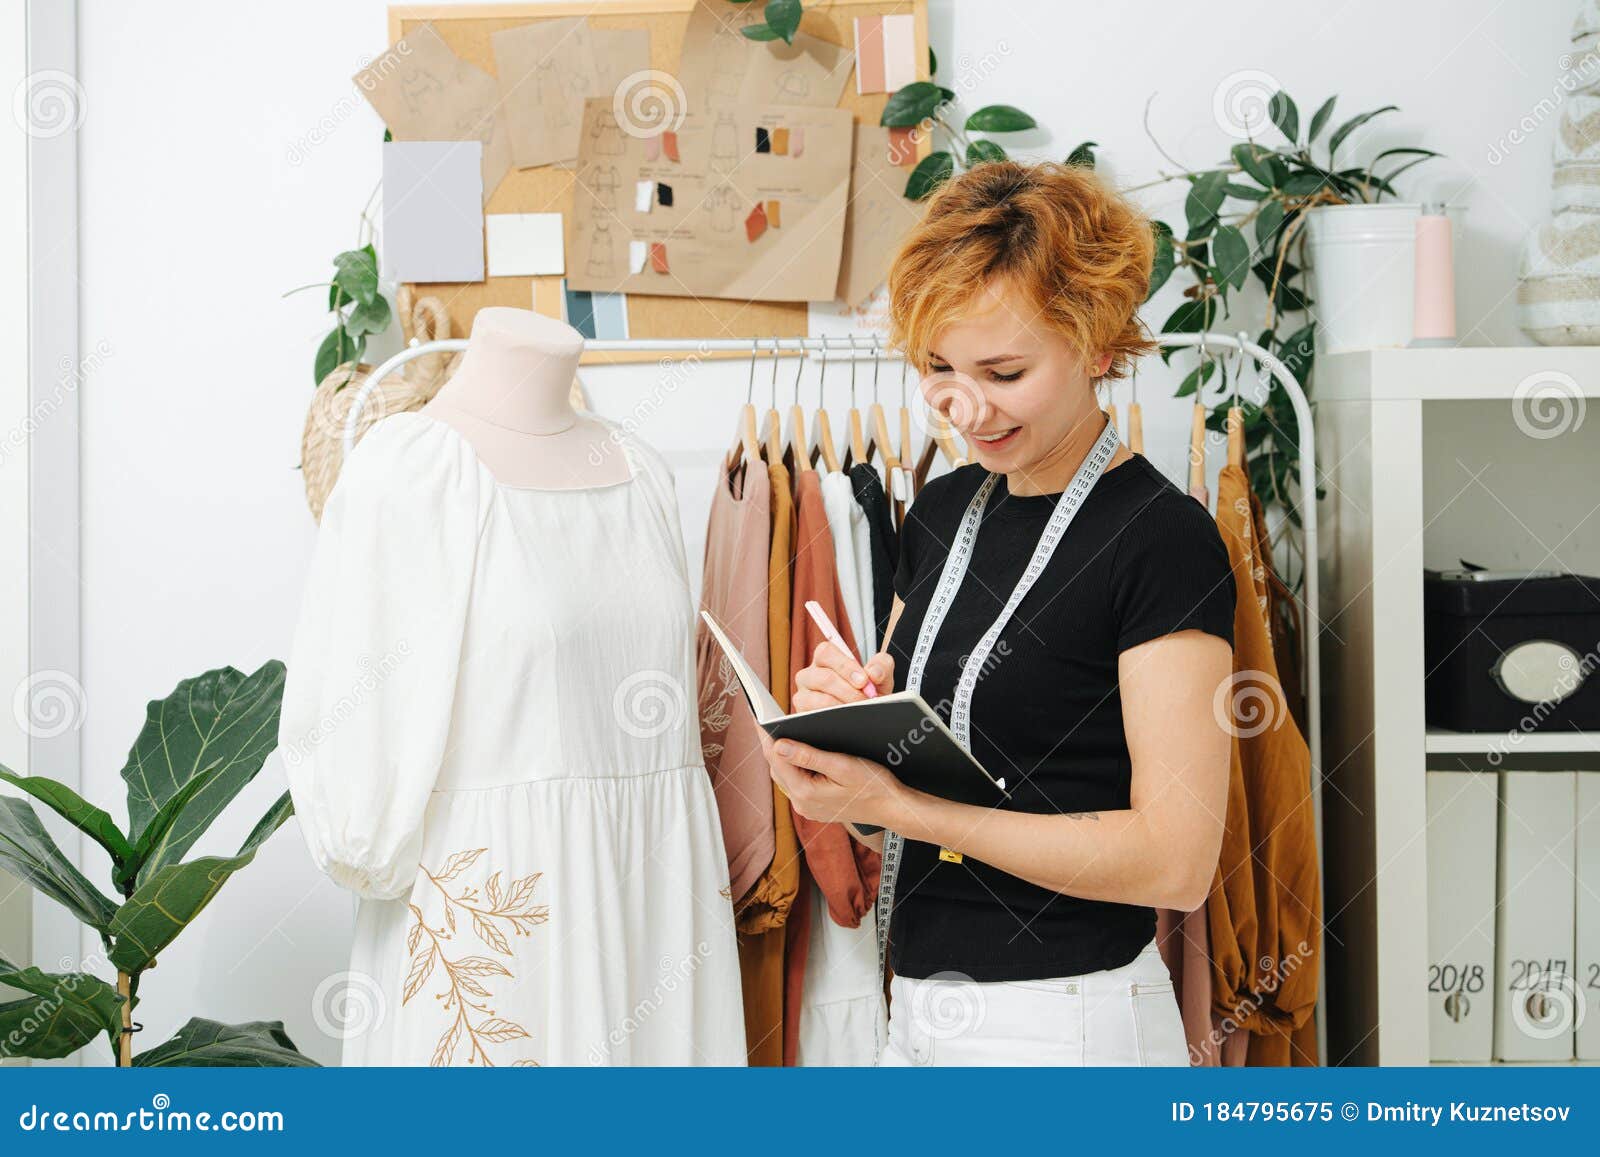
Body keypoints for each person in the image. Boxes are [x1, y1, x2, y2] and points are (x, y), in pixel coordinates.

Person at [762, 161, 1236, 1066]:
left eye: (1004, 371)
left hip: (1069, 1022)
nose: (967, 406)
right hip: (919, 1012)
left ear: (1098, 344)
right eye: (939, 369)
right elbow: (894, 810)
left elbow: (1179, 860)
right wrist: (841, 766)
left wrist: (910, 806)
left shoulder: (1160, 540)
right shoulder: (941, 511)